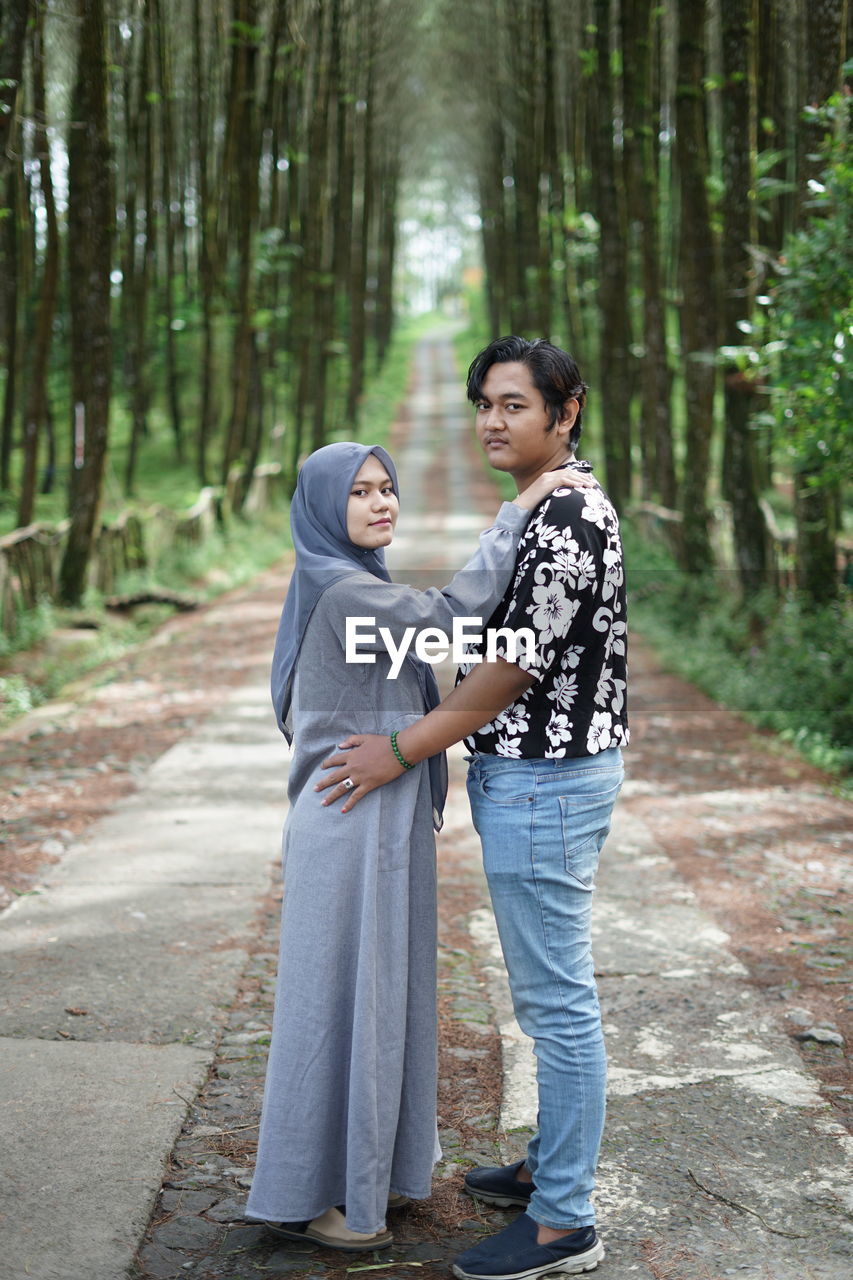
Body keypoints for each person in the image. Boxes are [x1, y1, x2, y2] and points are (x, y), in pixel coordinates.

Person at [318, 337, 628, 1278]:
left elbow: (507, 668)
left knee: (555, 1002)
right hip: (533, 775)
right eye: (483, 405)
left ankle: (563, 1221)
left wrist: (402, 750)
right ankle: (549, 1169)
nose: (493, 421)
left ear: (563, 411)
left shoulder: (569, 516)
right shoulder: (541, 506)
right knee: (547, 993)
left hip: (547, 780)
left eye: (513, 405)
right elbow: (470, 616)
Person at [244, 439, 588, 1253]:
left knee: (375, 1001)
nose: (380, 503)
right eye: (359, 493)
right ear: (325, 509)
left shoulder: (349, 583)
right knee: (351, 1006)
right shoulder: (339, 590)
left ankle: (370, 1184)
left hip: (374, 815)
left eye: (386, 488)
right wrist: (517, 515)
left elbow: (407, 672)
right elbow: (444, 621)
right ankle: (354, 1207)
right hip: (352, 820)